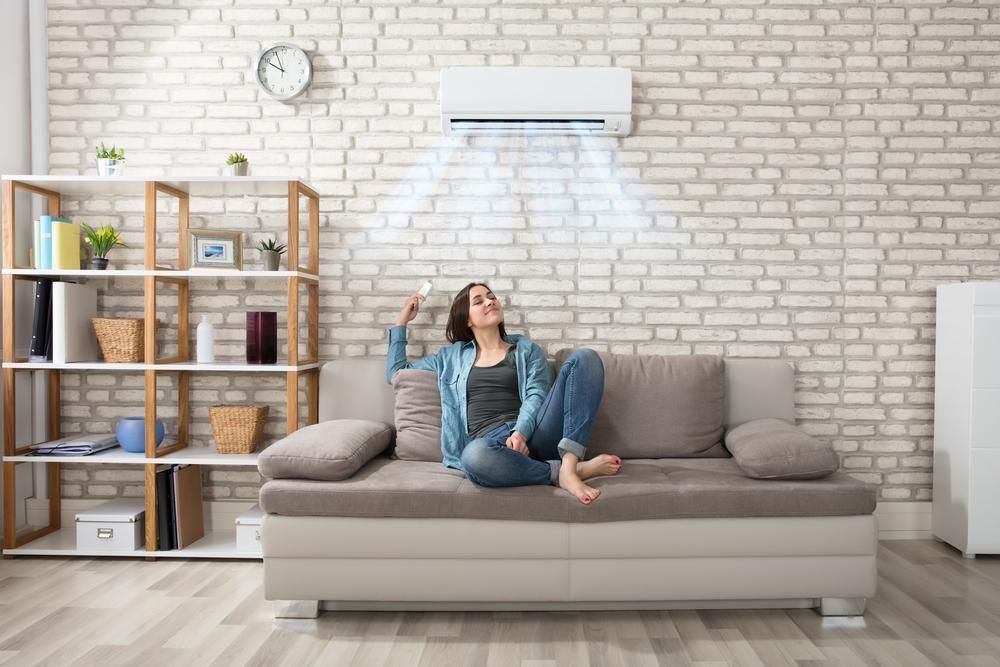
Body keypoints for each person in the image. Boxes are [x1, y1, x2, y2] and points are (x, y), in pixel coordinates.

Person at [386, 282, 622, 504]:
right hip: (491, 446)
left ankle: (569, 468)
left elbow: (536, 394)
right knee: (474, 457)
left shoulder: (525, 349)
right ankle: (563, 471)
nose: (489, 302)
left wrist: (520, 433)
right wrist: (402, 321)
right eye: (478, 301)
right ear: (466, 319)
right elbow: (397, 373)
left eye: (491, 297)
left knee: (585, 358)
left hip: (536, 434)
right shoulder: (450, 358)